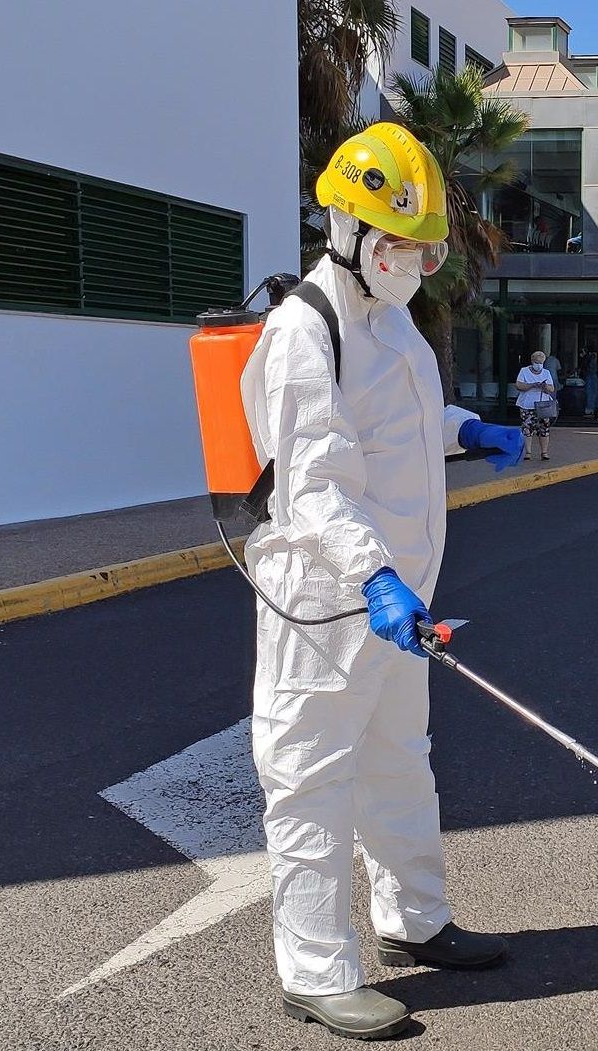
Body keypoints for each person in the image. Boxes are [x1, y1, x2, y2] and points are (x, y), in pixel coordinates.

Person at [242, 122, 524, 1042]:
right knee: (311, 780)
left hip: (397, 596)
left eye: (428, 248)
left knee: (402, 759)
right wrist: (374, 580)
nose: (418, 263)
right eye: (403, 245)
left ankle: (415, 921)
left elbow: (396, 420)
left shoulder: (389, 318)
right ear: (349, 231)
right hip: (327, 602)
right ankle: (316, 970)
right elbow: (312, 482)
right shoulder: (301, 330)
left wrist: (465, 429)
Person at [515, 351, 558, 460]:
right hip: (527, 404)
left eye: (541, 363)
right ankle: (528, 452)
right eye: (537, 362)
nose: (539, 365)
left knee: (544, 428)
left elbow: (551, 388)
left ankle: (544, 452)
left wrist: (544, 386)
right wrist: (532, 385)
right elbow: (519, 385)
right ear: (532, 361)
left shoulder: (546, 373)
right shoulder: (524, 371)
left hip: (543, 405)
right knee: (527, 428)